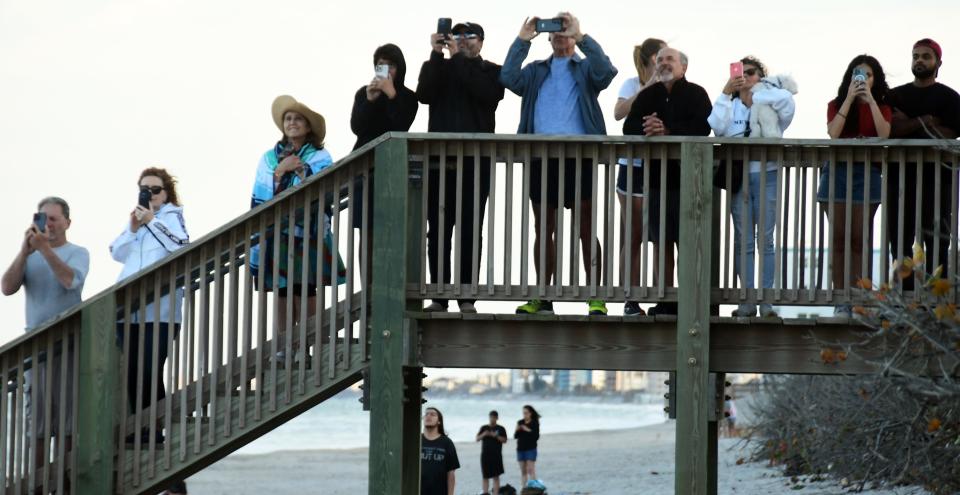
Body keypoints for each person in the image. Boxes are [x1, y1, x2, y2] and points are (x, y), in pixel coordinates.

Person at [501, 12, 617, 316]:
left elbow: (606, 73)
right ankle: (542, 295)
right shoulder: (536, 70)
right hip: (541, 156)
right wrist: (522, 40)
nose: (560, 35)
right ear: (548, 37)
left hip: (581, 157)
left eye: (565, 30)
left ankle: (596, 295)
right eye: (556, 31)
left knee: (586, 227)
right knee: (544, 227)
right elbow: (508, 78)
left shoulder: (586, 67)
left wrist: (582, 36)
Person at [417, 21, 505, 314]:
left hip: (476, 162)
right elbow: (425, 95)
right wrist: (435, 54)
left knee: (470, 228)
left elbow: (487, 95)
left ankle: (466, 296)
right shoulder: (438, 66)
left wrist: (456, 59)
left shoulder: (490, 70)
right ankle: (439, 296)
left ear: (481, 41)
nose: (463, 40)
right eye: (457, 35)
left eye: (470, 36)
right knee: (438, 229)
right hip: (439, 162)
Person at [250, 95, 345, 349]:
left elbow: (325, 186)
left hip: (309, 232)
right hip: (277, 232)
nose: (292, 123)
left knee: (306, 287)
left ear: (308, 126)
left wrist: (301, 169)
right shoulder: (268, 158)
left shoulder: (319, 155)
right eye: (288, 118)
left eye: (298, 119)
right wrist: (281, 170)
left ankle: (313, 341)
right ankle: (285, 345)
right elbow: (260, 192)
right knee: (282, 288)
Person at [623, 47, 712, 315]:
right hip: (657, 180)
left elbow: (703, 126)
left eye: (669, 59)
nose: (663, 63)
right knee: (661, 241)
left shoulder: (697, 93)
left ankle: (689, 301)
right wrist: (648, 126)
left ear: (683, 67)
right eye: (659, 60)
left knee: (688, 242)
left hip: (691, 180)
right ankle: (666, 299)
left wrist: (668, 130)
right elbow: (628, 127)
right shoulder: (648, 94)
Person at [1, 196, 88, 465]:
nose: (48, 224)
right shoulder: (30, 255)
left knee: (68, 420)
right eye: (42, 218)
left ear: (67, 222)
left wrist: (46, 250)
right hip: (35, 348)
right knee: (37, 423)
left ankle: (66, 484)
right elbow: (6, 287)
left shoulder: (78, 252)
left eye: (53, 218)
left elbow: (70, 281)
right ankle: (38, 487)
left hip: (69, 345)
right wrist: (25, 252)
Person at [708, 56, 796, 317]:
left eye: (752, 72)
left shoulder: (771, 101)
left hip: (767, 174)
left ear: (762, 76)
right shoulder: (732, 106)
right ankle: (746, 301)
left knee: (766, 240)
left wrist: (759, 92)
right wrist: (727, 91)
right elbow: (716, 127)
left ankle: (766, 301)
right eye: (741, 73)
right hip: (740, 177)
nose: (745, 77)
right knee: (744, 241)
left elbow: (788, 105)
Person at [109, 168, 189, 443]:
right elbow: (116, 252)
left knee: (149, 369)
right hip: (128, 312)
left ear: (166, 193)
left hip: (162, 312)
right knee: (132, 371)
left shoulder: (172, 216)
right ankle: (141, 429)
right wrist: (133, 227)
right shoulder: (136, 220)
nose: (150, 194)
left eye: (155, 189)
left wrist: (153, 220)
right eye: (144, 188)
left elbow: (181, 245)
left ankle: (153, 429)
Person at [818, 55, 891, 316]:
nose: (862, 79)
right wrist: (849, 98)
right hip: (836, 171)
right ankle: (841, 300)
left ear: (875, 79)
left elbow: (884, 134)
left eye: (868, 75)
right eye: (857, 74)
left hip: (867, 173)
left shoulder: (881, 107)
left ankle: (860, 298)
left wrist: (869, 99)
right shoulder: (836, 104)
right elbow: (834, 132)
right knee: (838, 239)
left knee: (860, 239)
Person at [887, 39, 960, 281]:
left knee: (937, 241)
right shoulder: (896, 95)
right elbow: (892, 130)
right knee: (900, 242)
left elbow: (951, 134)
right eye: (915, 55)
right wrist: (927, 120)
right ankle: (905, 300)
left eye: (926, 56)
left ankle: (936, 302)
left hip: (940, 179)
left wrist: (910, 123)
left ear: (938, 62)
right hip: (900, 178)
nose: (919, 60)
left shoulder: (950, 98)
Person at [351, 43, 419, 278]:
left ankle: (389, 286)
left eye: (391, 65)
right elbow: (357, 127)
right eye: (381, 65)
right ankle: (368, 290)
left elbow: (400, 125)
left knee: (391, 231)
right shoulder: (364, 92)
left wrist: (391, 95)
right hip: (363, 171)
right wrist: (370, 100)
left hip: (392, 170)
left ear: (400, 69)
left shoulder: (408, 97)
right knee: (366, 233)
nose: (386, 70)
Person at [613, 38, 667, 316]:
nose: (665, 62)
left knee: (660, 234)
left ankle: (662, 296)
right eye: (660, 57)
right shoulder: (631, 83)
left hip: (661, 167)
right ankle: (631, 298)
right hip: (631, 166)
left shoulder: (672, 87)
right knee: (634, 232)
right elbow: (618, 113)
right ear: (648, 60)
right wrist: (647, 87)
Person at [421, 407, 460, 495]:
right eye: (426, 414)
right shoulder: (416, 440)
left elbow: (451, 473)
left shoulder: (447, 442)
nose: (428, 416)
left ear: (439, 421)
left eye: (432, 414)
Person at [476, 410, 508, 494]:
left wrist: (496, 436)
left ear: (497, 418)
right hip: (485, 455)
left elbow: (504, 440)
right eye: (491, 417)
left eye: (494, 417)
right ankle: (485, 492)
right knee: (485, 476)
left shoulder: (501, 428)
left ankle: (496, 493)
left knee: (496, 476)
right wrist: (484, 434)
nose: (492, 419)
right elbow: (477, 439)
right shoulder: (484, 428)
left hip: (496, 455)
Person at [514, 404, 541, 487]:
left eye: (526, 413)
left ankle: (534, 488)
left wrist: (527, 429)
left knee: (530, 469)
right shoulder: (520, 422)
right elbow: (515, 436)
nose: (524, 415)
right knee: (523, 471)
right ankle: (524, 488)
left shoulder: (535, 423)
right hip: (520, 449)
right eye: (523, 413)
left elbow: (536, 436)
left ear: (530, 413)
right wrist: (518, 429)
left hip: (531, 448)